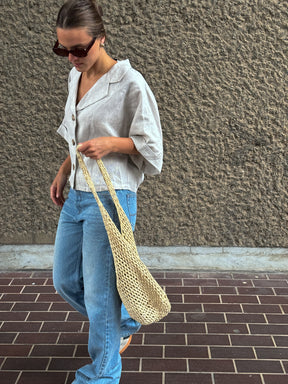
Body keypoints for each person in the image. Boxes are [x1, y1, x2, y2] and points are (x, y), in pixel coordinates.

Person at [50, 0, 163, 383]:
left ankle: (100, 375)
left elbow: (151, 146)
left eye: (79, 49)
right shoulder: (75, 77)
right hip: (79, 193)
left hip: (111, 196)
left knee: (100, 298)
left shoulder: (130, 83)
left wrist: (113, 144)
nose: (71, 57)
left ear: (102, 38)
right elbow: (75, 136)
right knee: (65, 280)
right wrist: (63, 172)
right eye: (62, 49)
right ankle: (122, 321)